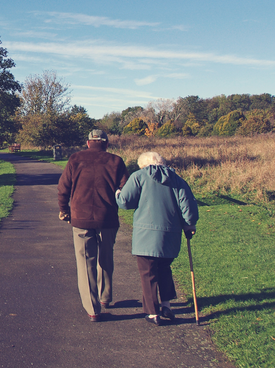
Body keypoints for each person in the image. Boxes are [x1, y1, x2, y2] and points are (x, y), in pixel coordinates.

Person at [116, 151, 199, 326]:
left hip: (146, 235)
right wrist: (189, 224)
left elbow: (125, 202)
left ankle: (152, 312)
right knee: (164, 268)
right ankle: (166, 305)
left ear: (143, 165)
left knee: (148, 272)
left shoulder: (139, 176)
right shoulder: (177, 179)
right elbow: (188, 206)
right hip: (171, 234)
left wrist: (117, 194)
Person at [57, 129, 129, 322]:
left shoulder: (75, 159)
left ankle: (93, 309)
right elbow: (125, 189)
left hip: (81, 218)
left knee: (85, 262)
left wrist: (64, 210)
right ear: (106, 143)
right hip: (108, 218)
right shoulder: (116, 161)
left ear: (88, 143)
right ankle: (105, 297)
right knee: (106, 258)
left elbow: (63, 187)